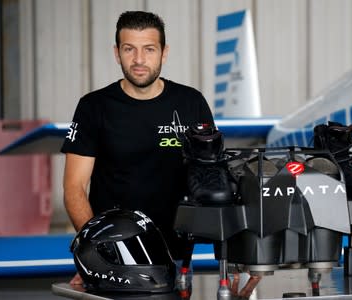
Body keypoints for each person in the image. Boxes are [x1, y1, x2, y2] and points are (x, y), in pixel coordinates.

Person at [61, 10, 260, 298]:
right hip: (118, 260)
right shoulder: (94, 107)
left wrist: (240, 252)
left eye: (149, 49)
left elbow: (216, 182)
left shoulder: (191, 103)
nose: (139, 59)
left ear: (164, 53)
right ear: (117, 53)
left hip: (178, 257)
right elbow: (73, 188)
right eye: (129, 49)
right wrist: (96, 255)